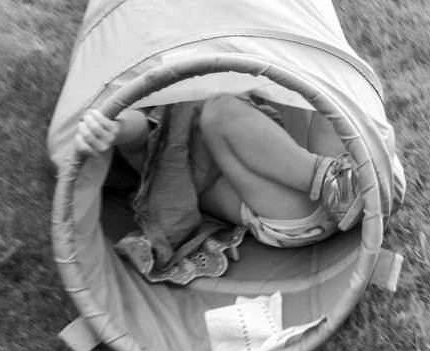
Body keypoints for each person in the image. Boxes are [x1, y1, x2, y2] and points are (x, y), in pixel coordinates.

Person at [74, 93, 364, 255]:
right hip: (292, 216)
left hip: (321, 196)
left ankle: (353, 179)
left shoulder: (214, 105)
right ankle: (336, 183)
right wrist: (113, 126)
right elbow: (137, 132)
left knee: (327, 92)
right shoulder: (160, 158)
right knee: (219, 112)